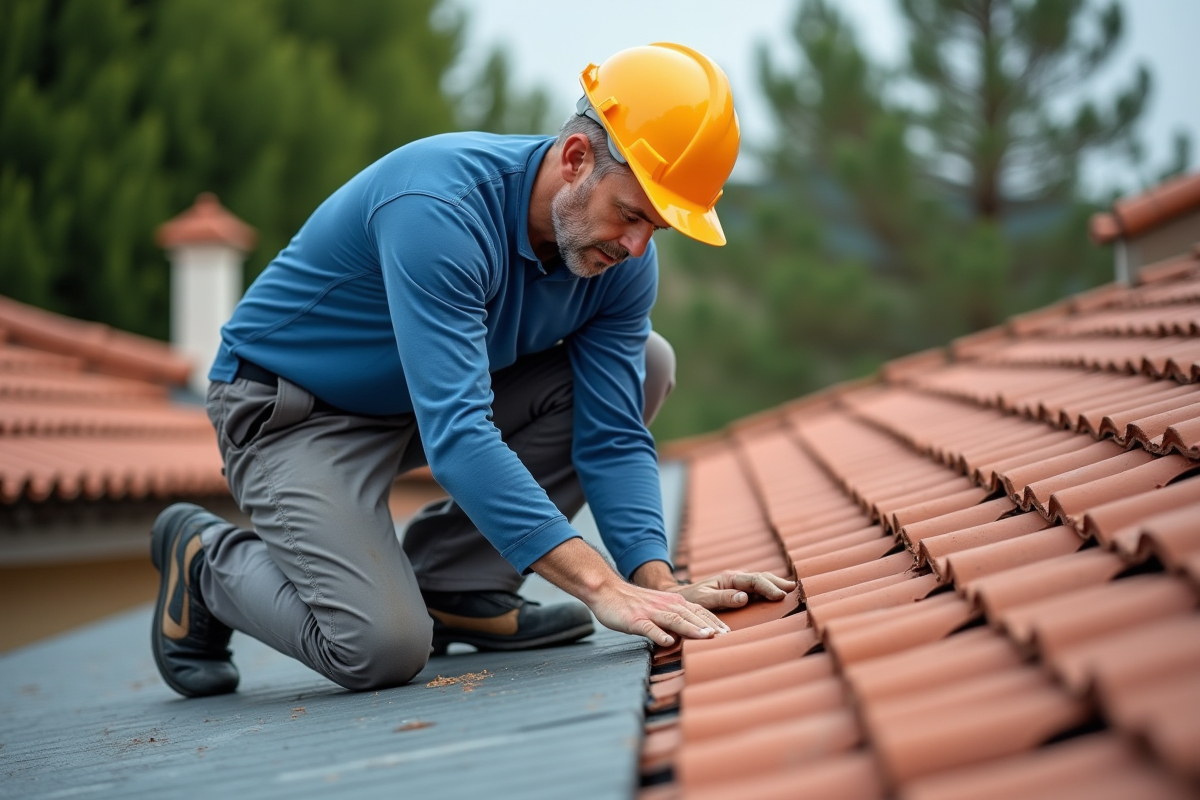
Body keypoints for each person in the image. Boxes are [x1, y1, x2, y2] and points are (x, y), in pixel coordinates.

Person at [150, 43, 796, 698]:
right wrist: (603, 588)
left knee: (649, 364)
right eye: (630, 215)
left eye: (655, 229)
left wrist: (657, 582)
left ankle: (456, 581)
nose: (634, 247)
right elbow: (459, 435)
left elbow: (613, 435)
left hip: (421, 403)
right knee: (381, 648)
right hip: (294, 412)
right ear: (576, 158)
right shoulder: (439, 210)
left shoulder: (619, 265)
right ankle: (205, 562)